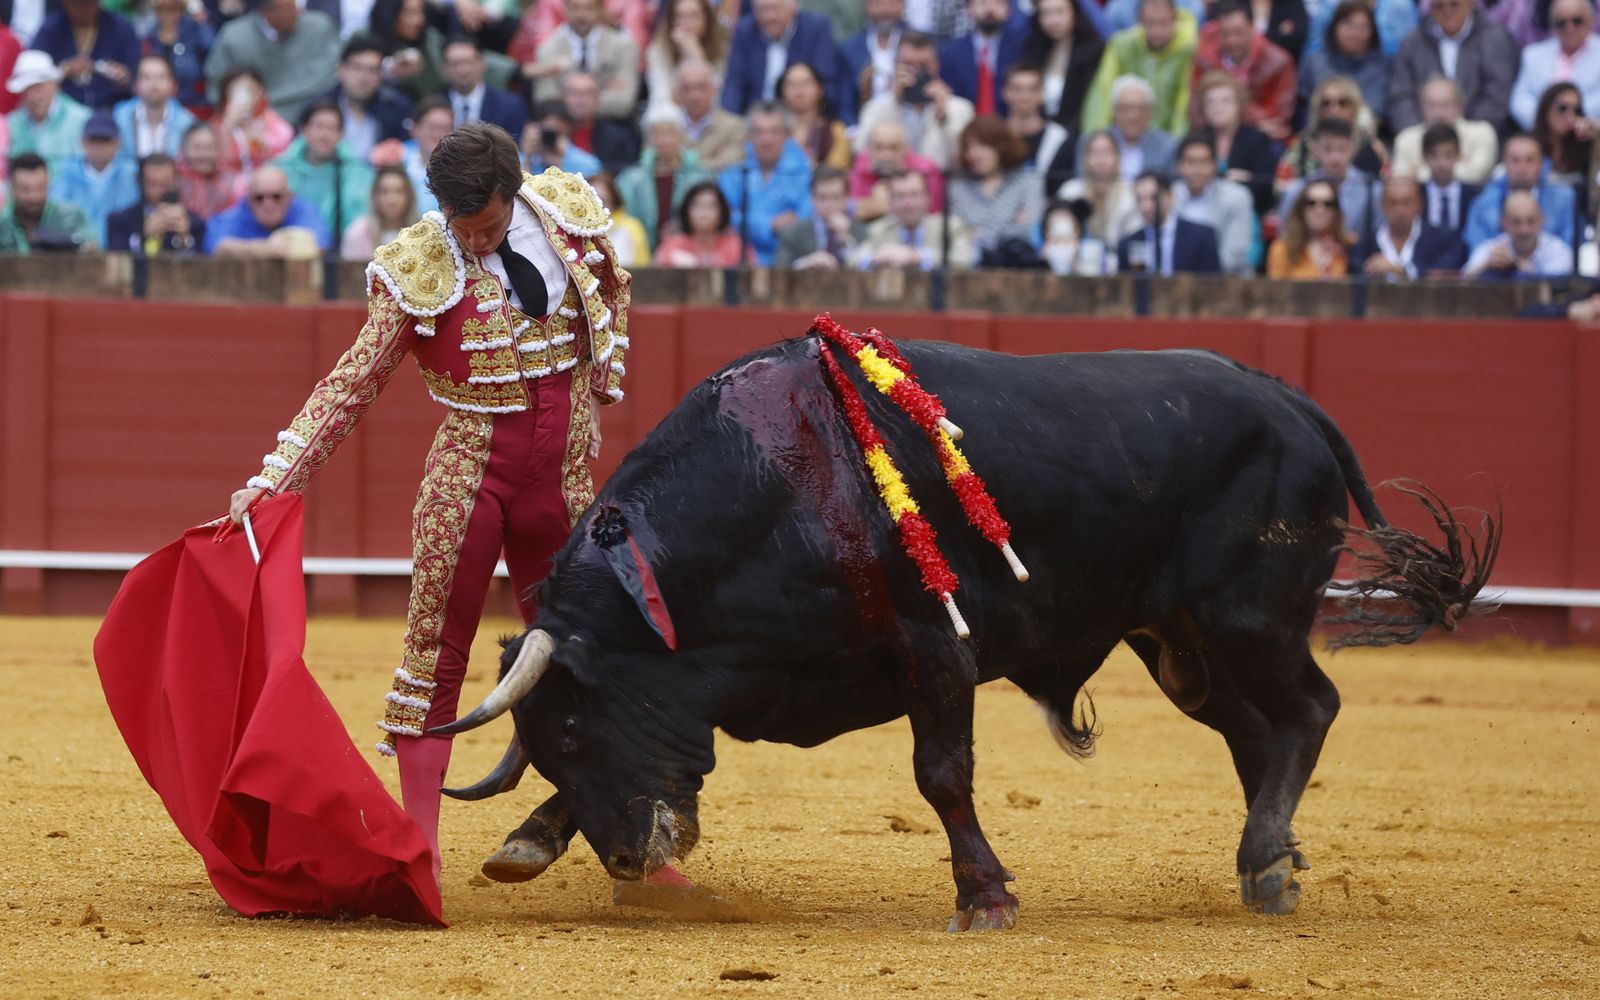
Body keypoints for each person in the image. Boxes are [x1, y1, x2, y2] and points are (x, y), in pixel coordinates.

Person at [222, 122, 652, 895]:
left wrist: (604, 369)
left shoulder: (569, 215)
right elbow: (352, 384)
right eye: (462, 227)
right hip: (470, 479)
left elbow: (616, 285)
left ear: (512, 195)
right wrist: (275, 475)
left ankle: (631, 844)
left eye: (487, 226)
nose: (476, 241)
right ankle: (421, 849)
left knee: (589, 658)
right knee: (436, 654)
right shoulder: (417, 265)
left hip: (563, 483)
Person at [1388, 0, 1519, 134]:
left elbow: (1496, 96)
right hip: (1423, 138)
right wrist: (1421, 135)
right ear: (1429, 7)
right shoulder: (1412, 43)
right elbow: (1401, 96)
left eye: (1454, 4)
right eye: (1439, 6)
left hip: (1477, 135)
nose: (1447, 11)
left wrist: (1462, 134)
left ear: (1471, 3)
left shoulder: (1495, 38)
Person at [855, 29, 975, 170]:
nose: (916, 72)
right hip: (891, 185)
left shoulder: (961, 108)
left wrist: (943, 116)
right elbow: (861, 153)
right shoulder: (877, 107)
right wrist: (893, 104)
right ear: (895, 65)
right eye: (908, 65)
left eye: (923, 66)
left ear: (936, 65)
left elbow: (964, 160)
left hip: (941, 186)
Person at [204, 0, 339, 123]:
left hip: (310, 115)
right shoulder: (234, 38)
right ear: (265, 11)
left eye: (295, 6)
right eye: (287, 9)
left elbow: (334, 74)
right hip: (253, 121)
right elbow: (215, 87)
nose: (296, 13)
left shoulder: (319, 28)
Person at [717, 100, 813, 265]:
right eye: (759, 132)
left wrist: (746, 222)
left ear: (787, 135)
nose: (766, 140)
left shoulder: (804, 173)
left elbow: (805, 220)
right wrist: (769, 225)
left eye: (775, 132)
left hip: (793, 262)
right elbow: (723, 219)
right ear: (749, 135)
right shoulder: (733, 172)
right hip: (740, 262)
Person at [1083, 0, 1197, 136]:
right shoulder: (1122, 45)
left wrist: (1176, 143)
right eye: (1150, 23)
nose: (1157, 31)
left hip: (1166, 137)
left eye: (1163, 23)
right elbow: (1103, 93)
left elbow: (1183, 102)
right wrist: (1096, 137)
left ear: (1175, 20)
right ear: (1139, 21)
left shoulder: (1188, 49)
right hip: (1124, 136)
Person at [722, 0, 850, 121]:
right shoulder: (745, 31)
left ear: (793, 6)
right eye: (762, 10)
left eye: (774, 8)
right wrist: (730, 120)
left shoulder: (815, 29)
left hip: (801, 118)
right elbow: (734, 84)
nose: (769, 17)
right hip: (755, 120)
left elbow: (827, 82)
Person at [1187, 0, 1294, 140]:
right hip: (1214, 133)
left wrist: (1238, 114)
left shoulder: (1278, 62)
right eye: (1225, 33)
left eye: (1238, 32)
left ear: (1252, 27)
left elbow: (1279, 117)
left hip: (1260, 138)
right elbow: (1196, 107)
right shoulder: (1205, 59)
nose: (1232, 40)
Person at [615, 100, 712, 249]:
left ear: (680, 135)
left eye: (669, 133)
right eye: (656, 134)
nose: (663, 140)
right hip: (641, 254)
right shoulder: (630, 179)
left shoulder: (700, 177)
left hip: (688, 254)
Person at [948, 114, 1043, 262]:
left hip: (1017, 267)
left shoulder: (1028, 180)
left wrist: (978, 235)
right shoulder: (959, 186)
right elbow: (956, 233)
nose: (974, 154)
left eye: (982, 146)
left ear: (1001, 145)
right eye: (968, 147)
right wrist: (1008, 227)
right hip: (969, 267)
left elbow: (1029, 229)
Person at [274, 98, 372, 241]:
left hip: (342, 254)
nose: (325, 135)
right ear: (304, 130)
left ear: (341, 135)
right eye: (319, 127)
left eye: (332, 128)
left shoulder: (359, 174)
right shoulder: (278, 169)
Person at [526, 0, 641, 119]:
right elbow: (545, 101)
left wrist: (567, 96)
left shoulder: (623, 47)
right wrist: (600, 92)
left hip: (609, 123)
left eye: (589, 8)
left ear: (600, 10)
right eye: (575, 8)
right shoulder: (547, 49)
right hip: (565, 125)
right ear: (565, 9)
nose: (582, 14)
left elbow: (624, 101)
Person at [1462, 132, 1577, 250]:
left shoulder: (1564, 199)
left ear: (1541, 164)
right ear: (1504, 163)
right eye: (1515, 160)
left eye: (1530, 160)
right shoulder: (1483, 201)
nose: (1522, 167)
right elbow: (1475, 248)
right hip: (1495, 266)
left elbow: (1571, 244)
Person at [1275, 74, 1386, 192]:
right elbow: (1280, 186)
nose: (1333, 109)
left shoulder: (1372, 146)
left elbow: (1386, 189)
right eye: (1326, 103)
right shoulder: (1302, 143)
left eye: (1342, 103)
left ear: (1355, 107)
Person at [849, 167, 977, 269]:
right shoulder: (880, 229)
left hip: (940, 299)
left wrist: (917, 256)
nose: (908, 203)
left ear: (928, 198)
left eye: (914, 195)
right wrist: (876, 257)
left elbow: (968, 259)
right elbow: (852, 261)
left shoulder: (949, 226)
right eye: (900, 196)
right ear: (891, 202)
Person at [1277, 117, 1378, 245]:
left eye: (1342, 149)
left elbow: (1380, 236)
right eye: (1328, 149)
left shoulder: (1371, 189)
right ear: (1315, 151)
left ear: (1353, 150)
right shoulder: (1297, 191)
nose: (1335, 157)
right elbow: (1285, 237)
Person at [319, 33, 414, 163]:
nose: (363, 77)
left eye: (372, 70)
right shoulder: (319, 107)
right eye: (357, 68)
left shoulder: (396, 107)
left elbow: (408, 151)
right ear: (340, 70)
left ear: (381, 75)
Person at [30, 0, 141, 110]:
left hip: (110, 108)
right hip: (62, 111)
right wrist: (63, 70)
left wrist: (123, 75)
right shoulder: (52, 28)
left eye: (88, 4)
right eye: (77, 3)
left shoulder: (120, 27)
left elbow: (136, 72)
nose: (82, 8)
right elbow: (32, 70)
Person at [1171, 130, 1255, 275]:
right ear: (1179, 166)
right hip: (1175, 281)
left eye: (1204, 161)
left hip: (1226, 282)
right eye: (1190, 162)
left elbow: (1234, 256)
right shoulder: (1168, 196)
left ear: (1215, 165)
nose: (1197, 169)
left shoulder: (1237, 196)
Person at [1389, 75, 1499, 185]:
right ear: (1421, 108)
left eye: (1445, 105)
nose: (1438, 113)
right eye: (1431, 105)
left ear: (1459, 106)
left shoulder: (1482, 133)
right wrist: (1458, 167)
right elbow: (1401, 182)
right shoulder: (1406, 139)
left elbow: (1477, 174)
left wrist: (1419, 172)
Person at [49, 108, 137, 244]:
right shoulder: (65, 175)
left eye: (105, 141)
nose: (99, 147)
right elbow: (55, 218)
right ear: (83, 142)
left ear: (118, 143)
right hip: (75, 255)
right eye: (94, 140)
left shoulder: (131, 176)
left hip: (121, 253)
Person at [1193, 68, 1274, 214]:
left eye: (1225, 101)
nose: (1218, 108)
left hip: (1245, 211)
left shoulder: (1256, 139)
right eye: (1211, 102)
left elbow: (1265, 184)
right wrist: (1228, 179)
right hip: (1201, 211)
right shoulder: (1196, 139)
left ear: (1239, 105)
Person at [1510, 0, 1600, 132]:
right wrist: (1548, 121)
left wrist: (1569, 117)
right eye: (1561, 23)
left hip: (1590, 137)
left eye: (1577, 21)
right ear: (1552, 26)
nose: (1570, 28)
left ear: (1591, 20)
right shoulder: (1533, 55)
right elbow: (1519, 100)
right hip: (1543, 138)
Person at [204, 163, 331, 256]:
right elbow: (215, 245)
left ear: (289, 197)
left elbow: (321, 242)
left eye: (276, 197)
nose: (268, 204)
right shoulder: (237, 215)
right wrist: (264, 248)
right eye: (259, 198)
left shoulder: (304, 211)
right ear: (248, 199)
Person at [1296, 0, 1388, 127]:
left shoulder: (1382, 66)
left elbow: (1380, 111)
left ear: (1372, 31)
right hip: (1318, 135)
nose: (1355, 33)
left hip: (1366, 136)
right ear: (1334, 27)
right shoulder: (1314, 63)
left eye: (1362, 27)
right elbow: (1302, 109)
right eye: (1348, 25)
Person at [1356, 174, 1466, 279]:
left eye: (1406, 203)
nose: (1400, 210)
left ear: (1420, 205)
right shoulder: (1367, 244)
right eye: (1393, 203)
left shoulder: (1442, 240)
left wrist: (1400, 271)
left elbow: (1444, 273)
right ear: (1382, 204)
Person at [1116, 169, 1222, 274]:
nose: (1146, 206)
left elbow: (1212, 283)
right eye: (1140, 199)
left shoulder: (1201, 236)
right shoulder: (1129, 243)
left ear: (1170, 196)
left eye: (1153, 198)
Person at [1055, 128, 1142, 252]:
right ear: (1085, 158)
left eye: (1107, 152)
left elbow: (1135, 241)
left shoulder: (1131, 193)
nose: (1101, 160)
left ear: (1118, 157)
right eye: (1095, 153)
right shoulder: (1070, 192)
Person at [937, 0, 1029, 117]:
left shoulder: (1020, 51)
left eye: (998, 3)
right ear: (968, 9)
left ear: (1009, 10)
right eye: (982, 2)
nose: (990, 9)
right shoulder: (950, 53)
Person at [105, 151, 206, 254]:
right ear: (141, 183)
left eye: (165, 184)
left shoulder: (195, 223)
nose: (160, 190)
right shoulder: (119, 222)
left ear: (176, 182)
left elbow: (203, 264)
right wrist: (144, 234)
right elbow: (117, 261)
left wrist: (184, 238)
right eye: (153, 184)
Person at [848, 116, 946, 222]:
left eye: (894, 147)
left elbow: (933, 217)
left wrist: (887, 204)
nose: (886, 155)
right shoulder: (860, 169)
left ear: (906, 149)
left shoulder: (926, 171)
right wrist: (877, 205)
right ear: (869, 149)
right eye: (879, 147)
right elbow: (849, 211)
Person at [6, 50, 92, 165]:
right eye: (27, 89)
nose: (33, 96)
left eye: (39, 87)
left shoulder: (83, 119)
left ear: (55, 85)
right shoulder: (11, 124)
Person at [0, 150, 98, 251]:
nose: (34, 196)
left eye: (40, 188)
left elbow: (91, 246)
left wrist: (48, 238)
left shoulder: (71, 217)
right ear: (12, 189)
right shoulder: (3, 222)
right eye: (25, 190)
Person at [1462, 189, 1574, 278]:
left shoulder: (1558, 251)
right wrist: (1487, 266)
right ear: (1503, 223)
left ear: (1542, 220)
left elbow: (1554, 290)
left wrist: (1515, 265)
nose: (1524, 230)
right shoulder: (1492, 249)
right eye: (1516, 222)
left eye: (1530, 221)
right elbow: (1462, 281)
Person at [774, 164, 865, 267]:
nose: (829, 204)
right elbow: (780, 271)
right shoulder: (792, 234)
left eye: (836, 197)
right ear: (813, 199)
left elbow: (867, 272)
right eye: (823, 198)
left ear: (846, 199)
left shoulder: (860, 232)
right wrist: (805, 263)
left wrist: (847, 242)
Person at [1532, 82, 1600, 216]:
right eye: (1562, 108)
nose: (1570, 115)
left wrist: (1598, 136)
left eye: (1576, 110)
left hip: (1576, 222)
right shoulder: (1530, 145)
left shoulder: (1585, 148)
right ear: (1546, 108)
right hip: (1536, 220)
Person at [135, 0, 214, 112]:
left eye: (174, 8)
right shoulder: (147, 35)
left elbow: (214, 51)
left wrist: (196, 10)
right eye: (163, 8)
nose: (169, 14)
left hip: (195, 107)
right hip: (156, 108)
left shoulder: (196, 30)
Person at [213, 67, 294, 175]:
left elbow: (280, 155)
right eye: (236, 92)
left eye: (249, 90)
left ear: (261, 92)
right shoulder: (216, 125)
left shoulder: (276, 125)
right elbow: (216, 161)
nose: (243, 97)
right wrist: (227, 126)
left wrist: (256, 137)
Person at [113, 54, 196, 160]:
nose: (154, 84)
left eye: (161, 77)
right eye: (146, 78)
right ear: (136, 84)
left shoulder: (187, 123)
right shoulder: (119, 117)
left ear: (172, 84)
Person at [1266, 178, 1354, 278]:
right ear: (1301, 209)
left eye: (1328, 204)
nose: (1319, 210)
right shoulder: (1282, 249)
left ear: (1336, 210)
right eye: (1311, 203)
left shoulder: (1349, 245)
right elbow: (1276, 290)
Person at [653, 177, 753, 264]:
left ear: (722, 213)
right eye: (697, 206)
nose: (703, 213)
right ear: (686, 211)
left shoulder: (736, 248)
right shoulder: (671, 247)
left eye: (711, 206)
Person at [444, 38, 529, 140]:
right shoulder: (434, 105)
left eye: (468, 62)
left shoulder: (510, 105)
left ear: (482, 64)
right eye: (455, 64)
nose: (463, 69)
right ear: (444, 69)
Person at [645, 0, 729, 103]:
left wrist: (697, 56)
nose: (686, 23)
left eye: (693, 16)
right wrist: (684, 55)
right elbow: (661, 95)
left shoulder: (721, 46)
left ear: (706, 19)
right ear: (671, 21)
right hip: (670, 112)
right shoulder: (659, 49)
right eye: (679, 17)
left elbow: (719, 94)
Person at [1003, 63, 1071, 185]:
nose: (1024, 96)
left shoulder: (1059, 137)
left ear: (1042, 94)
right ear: (1005, 93)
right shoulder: (993, 135)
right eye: (1017, 89)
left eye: (1032, 89)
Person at [367, 0, 446, 104]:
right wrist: (390, 69)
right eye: (410, 13)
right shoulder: (366, 40)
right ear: (391, 14)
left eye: (421, 12)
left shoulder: (431, 40)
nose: (419, 20)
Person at [560, 69, 639, 172]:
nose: (580, 99)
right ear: (562, 97)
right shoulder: (551, 133)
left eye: (587, 93)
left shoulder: (617, 138)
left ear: (597, 99)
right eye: (574, 93)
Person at [778, 60, 853, 169]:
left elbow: (836, 172)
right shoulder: (773, 130)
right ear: (782, 91)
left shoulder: (835, 131)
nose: (798, 89)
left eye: (806, 83)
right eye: (791, 84)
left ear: (820, 89)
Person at [674, 58, 746, 170]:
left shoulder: (734, 127)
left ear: (713, 90)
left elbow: (729, 164)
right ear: (678, 93)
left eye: (701, 87)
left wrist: (682, 167)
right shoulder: (668, 127)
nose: (694, 95)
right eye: (687, 88)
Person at [339, 163, 415, 260]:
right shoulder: (357, 234)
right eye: (384, 192)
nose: (391, 199)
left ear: (409, 196)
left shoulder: (421, 233)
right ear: (375, 196)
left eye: (399, 191)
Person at [1418, 122, 1481, 238]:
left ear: (1458, 155)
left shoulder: (1473, 196)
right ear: (1424, 157)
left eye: (1448, 155)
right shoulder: (1416, 195)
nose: (1441, 163)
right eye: (1434, 155)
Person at [841, 0, 905, 112]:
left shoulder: (921, 42)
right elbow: (844, 103)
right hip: (863, 122)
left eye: (891, 3)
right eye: (878, 3)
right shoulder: (849, 49)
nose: (885, 10)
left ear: (902, 5)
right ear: (865, 7)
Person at [175, 119, 240, 218]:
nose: (204, 155)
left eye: (210, 147)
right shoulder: (174, 182)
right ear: (184, 150)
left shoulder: (231, 183)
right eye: (197, 148)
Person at [520, 100, 604, 175]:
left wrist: (558, 163)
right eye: (546, 133)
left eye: (557, 133)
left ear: (569, 129)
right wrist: (528, 158)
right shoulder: (517, 162)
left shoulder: (588, 164)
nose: (551, 137)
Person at [587, 169, 649, 266]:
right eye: (592, 202)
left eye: (603, 201)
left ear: (614, 201)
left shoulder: (633, 227)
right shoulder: (575, 233)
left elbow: (643, 267)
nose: (598, 208)